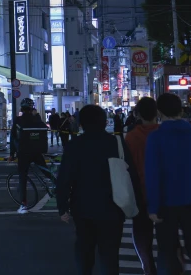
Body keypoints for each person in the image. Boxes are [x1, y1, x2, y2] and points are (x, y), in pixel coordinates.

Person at [57, 104, 140, 275]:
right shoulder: (116, 143)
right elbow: (131, 174)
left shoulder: (75, 145)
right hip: (113, 207)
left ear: (81, 124)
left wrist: (62, 207)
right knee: (110, 255)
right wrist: (136, 202)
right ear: (104, 121)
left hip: (83, 207)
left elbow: (64, 178)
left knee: (84, 249)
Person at [145, 93, 191, 275]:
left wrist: (153, 206)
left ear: (159, 112)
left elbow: (152, 174)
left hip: (165, 203)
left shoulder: (155, 138)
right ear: (181, 110)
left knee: (166, 251)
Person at [124, 97, 160, 275]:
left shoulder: (131, 137)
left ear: (137, 114)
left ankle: (147, 266)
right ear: (157, 113)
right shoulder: (162, 133)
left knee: (141, 233)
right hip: (162, 192)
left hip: (139, 191)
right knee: (165, 233)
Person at [10, 98, 51, 214]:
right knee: (46, 171)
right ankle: (59, 186)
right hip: (38, 151)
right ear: (32, 108)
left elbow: (13, 137)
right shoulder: (37, 119)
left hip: (24, 153)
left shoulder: (18, 120)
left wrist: (12, 154)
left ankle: (23, 204)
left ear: (21, 109)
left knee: (23, 177)